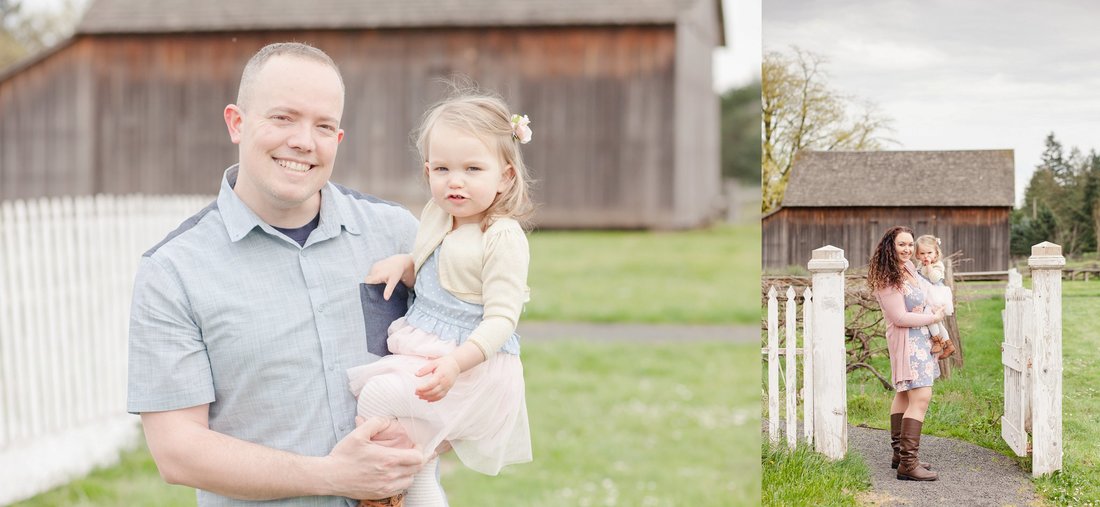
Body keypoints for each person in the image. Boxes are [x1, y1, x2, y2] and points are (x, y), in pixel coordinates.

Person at [127, 42, 426, 506]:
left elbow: (468, 360)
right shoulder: (173, 270)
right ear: (236, 123)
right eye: (283, 118)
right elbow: (177, 452)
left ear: (338, 139)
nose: (304, 141)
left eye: (323, 126)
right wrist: (333, 476)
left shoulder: (398, 234)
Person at [346, 91, 535, 506]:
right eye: (443, 168)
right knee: (423, 468)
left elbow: (503, 319)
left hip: (470, 366)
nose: (455, 180)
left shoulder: (501, 236)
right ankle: (400, 486)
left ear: (505, 177)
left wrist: (454, 363)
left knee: (376, 395)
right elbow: (437, 270)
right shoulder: (437, 214)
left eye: (472, 169)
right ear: (427, 170)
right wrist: (406, 264)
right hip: (432, 352)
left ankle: (380, 487)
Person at [867, 226, 945, 481]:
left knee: (903, 394)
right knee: (921, 396)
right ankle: (909, 466)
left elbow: (925, 291)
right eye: (902, 244)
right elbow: (899, 317)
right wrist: (931, 317)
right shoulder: (887, 278)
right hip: (907, 341)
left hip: (920, 338)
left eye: (910, 244)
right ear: (890, 246)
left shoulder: (909, 268)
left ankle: (900, 455)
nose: (907, 249)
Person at [915, 234, 956, 359]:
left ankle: (938, 341)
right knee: (938, 323)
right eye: (922, 253)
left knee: (929, 317)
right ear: (917, 255)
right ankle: (949, 345)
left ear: (936, 253)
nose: (926, 256)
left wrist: (929, 266)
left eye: (929, 252)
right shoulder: (920, 266)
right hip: (928, 295)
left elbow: (934, 278)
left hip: (936, 295)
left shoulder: (938, 265)